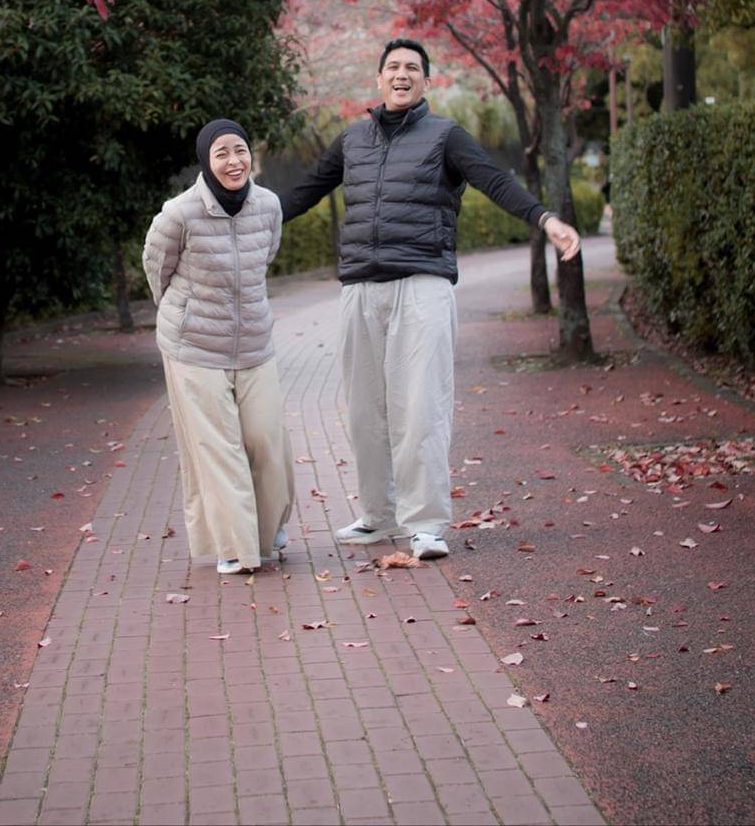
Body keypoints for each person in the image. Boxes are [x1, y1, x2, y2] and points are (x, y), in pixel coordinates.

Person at [280, 39, 581, 561]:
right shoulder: (353, 138)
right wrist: (239, 215)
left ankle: (425, 525)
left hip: (422, 286)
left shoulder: (446, 136)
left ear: (426, 83)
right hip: (359, 289)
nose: (402, 74)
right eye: (393, 67)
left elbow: (493, 180)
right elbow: (303, 193)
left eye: (412, 69)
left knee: (420, 408)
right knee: (364, 410)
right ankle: (377, 515)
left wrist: (545, 219)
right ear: (378, 80)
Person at [143, 119, 294, 575]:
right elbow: (157, 269)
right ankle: (235, 545)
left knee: (265, 440)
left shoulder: (268, 206)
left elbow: (264, 259)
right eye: (222, 153)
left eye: (240, 151)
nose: (234, 161)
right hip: (194, 347)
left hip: (253, 343)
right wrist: (185, 313)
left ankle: (266, 531)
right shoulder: (179, 213)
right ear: (207, 161)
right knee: (218, 447)